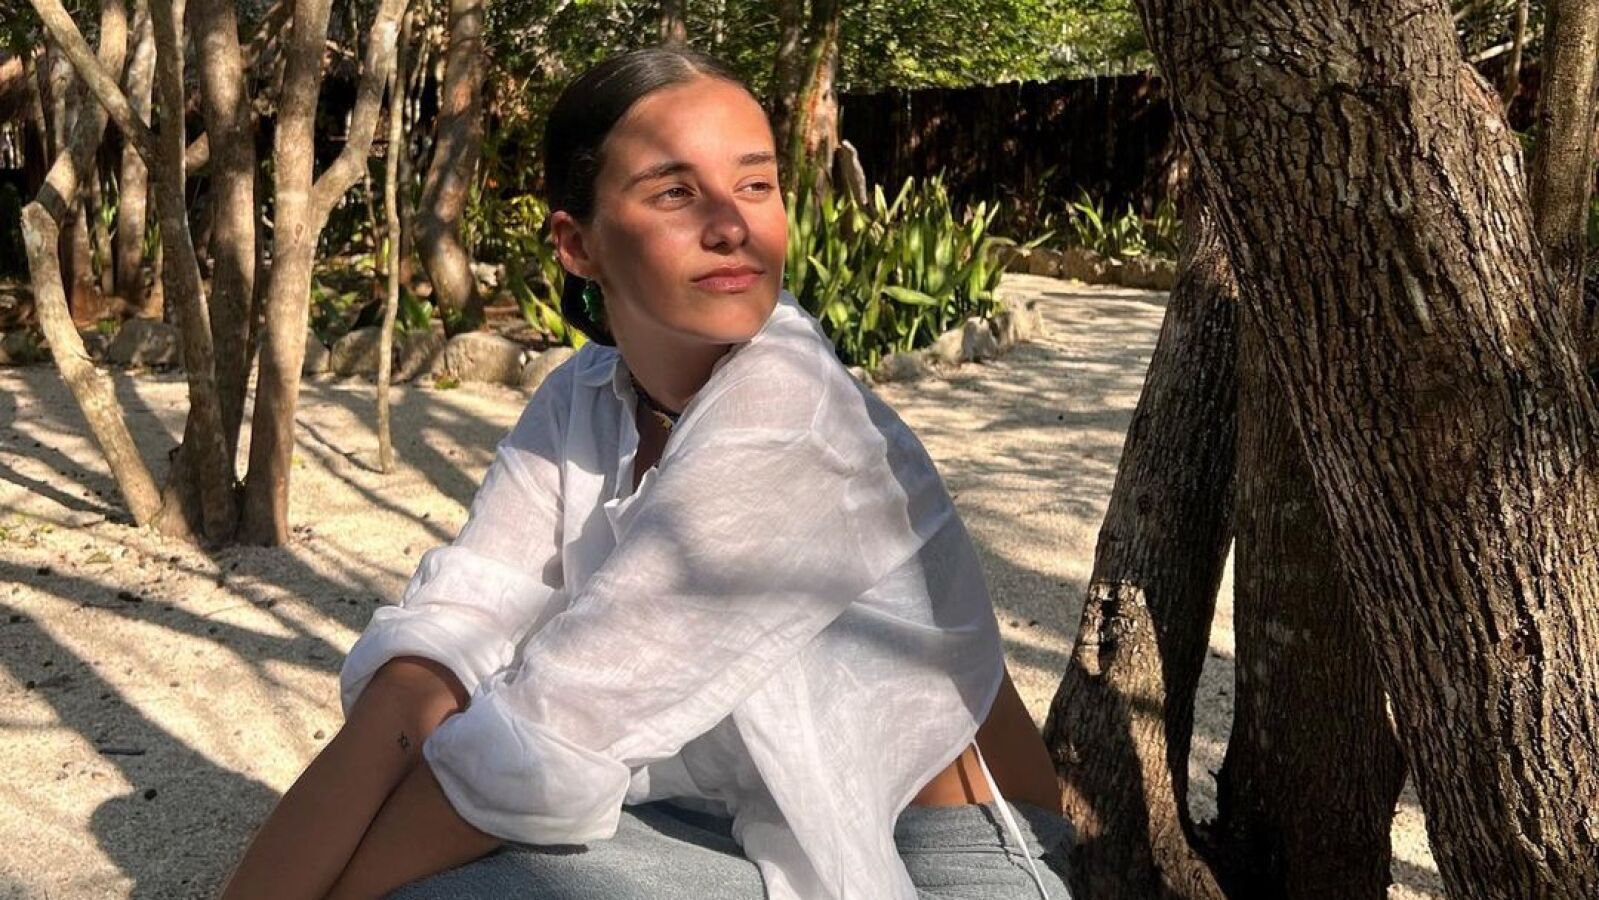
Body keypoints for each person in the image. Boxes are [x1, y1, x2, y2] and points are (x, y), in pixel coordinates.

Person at [216, 46, 1076, 900]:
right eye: (674, 193)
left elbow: (548, 734)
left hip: (937, 863)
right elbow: (447, 637)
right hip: (733, 821)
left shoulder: (793, 417)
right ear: (576, 244)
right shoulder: (584, 395)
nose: (731, 225)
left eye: (755, 184)